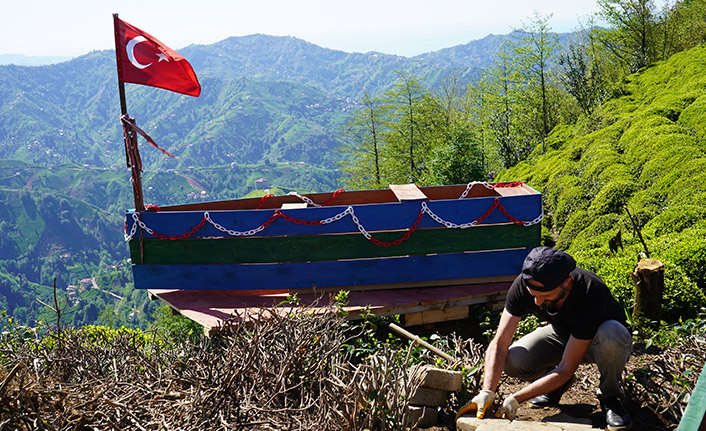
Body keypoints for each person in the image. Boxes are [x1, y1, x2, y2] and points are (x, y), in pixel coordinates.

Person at [457, 246, 633, 430]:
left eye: (546, 296)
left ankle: (611, 399)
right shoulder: (525, 285)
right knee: (514, 360)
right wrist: (487, 391)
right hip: (563, 334)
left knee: (611, 334)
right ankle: (555, 386)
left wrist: (516, 399)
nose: (538, 303)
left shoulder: (592, 292)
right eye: (533, 295)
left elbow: (566, 367)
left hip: (602, 340)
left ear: (567, 282)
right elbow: (499, 343)